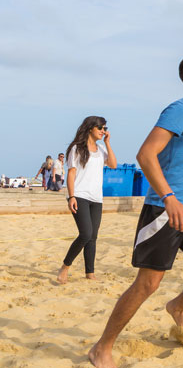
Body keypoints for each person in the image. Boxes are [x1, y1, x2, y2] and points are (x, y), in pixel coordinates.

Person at [89, 53, 183, 368]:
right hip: (166, 208)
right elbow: (146, 154)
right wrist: (169, 197)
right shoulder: (180, 110)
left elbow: (182, 154)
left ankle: (177, 305)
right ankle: (102, 348)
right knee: (147, 285)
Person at [57, 117, 117, 283]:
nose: (103, 130)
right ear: (91, 128)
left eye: (105, 128)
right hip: (80, 195)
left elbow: (113, 164)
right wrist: (71, 196)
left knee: (93, 237)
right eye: (101, 127)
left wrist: (108, 143)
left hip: (97, 198)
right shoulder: (77, 148)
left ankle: (90, 273)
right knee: (85, 234)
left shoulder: (101, 148)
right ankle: (65, 267)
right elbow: (71, 173)